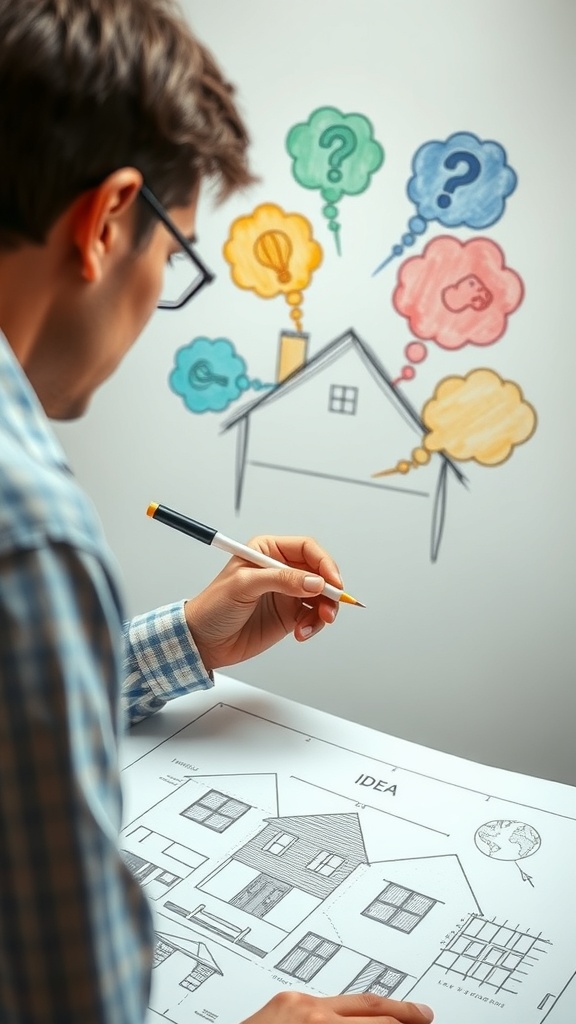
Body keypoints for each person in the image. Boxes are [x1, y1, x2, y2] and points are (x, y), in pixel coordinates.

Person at [0, 2, 434, 1023]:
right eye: (177, 258)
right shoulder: (29, 527)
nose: (158, 301)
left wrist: (183, 638)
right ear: (107, 221)